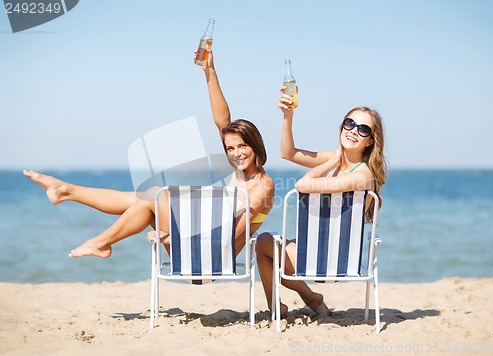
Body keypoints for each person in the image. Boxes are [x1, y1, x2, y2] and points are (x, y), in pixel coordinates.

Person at [23, 47, 274, 259]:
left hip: (205, 259)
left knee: (154, 195)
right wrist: (209, 70)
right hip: (191, 246)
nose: (236, 153)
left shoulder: (262, 187)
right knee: (142, 200)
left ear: (256, 144)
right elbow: (222, 121)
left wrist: (173, 235)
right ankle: (67, 193)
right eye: (230, 148)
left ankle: (96, 235)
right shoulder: (242, 173)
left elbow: (226, 239)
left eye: (243, 146)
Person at [256, 86, 387, 318]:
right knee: (266, 243)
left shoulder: (362, 176)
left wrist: (330, 162)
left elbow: (303, 185)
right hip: (322, 251)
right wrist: (288, 115)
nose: (354, 131)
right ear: (342, 127)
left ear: (370, 141)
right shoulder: (341, 161)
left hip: (329, 258)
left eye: (363, 129)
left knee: (264, 244)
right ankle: (310, 299)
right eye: (349, 124)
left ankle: (298, 300)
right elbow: (288, 153)